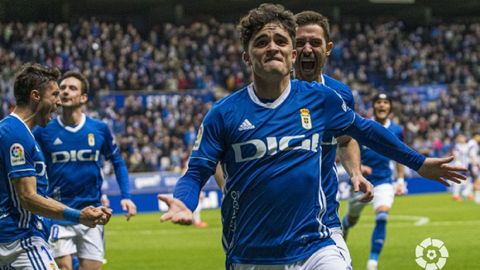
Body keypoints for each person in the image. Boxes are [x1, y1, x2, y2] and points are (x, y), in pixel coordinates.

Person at [158, 4, 465, 269]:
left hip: (315, 242)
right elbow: (197, 170)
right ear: (247, 57)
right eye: (261, 42)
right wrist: (184, 201)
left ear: (292, 55)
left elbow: (364, 130)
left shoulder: (321, 99)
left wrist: (419, 163)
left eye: (280, 40)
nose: (272, 47)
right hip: (250, 251)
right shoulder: (223, 113)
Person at [0, 63, 111, 269]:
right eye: (54, 95)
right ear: (36, 96)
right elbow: (28, 197)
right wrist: (78, 215)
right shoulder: (16, 134)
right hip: (20, 241)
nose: (59, 102)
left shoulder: (18, 132)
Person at [33, 71, 136, 270]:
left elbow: (118, 161)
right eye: (62, 88)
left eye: (72, 88)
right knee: (63, 267)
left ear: (83, 97)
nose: (65, 91)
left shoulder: (99, 129)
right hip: (58, 213)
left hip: (92, 211)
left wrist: (126, 195)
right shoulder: (44, 130)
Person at [294, 10, 372, 268]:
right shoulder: (268, 97)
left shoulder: (340, 94)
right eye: (299, 43)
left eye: (314, 43)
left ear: (328, 49)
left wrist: (355, 173)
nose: (307, 49)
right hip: (275, 226)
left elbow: (347, 140)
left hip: (323, 220)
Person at [341, 93, 406, 270]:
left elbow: (400, 155)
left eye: (386, 102)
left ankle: (372, 263)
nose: (382, 105)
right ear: (374, 106)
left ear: (390, 107)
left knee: (383, 216)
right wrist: (359, 168)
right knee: (351, 221)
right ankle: (345, 227)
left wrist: (400, 180)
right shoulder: (363, 125)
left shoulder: (397, 130)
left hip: (384, 181)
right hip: (361, 183)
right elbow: (348, 147)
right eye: (379, 102)